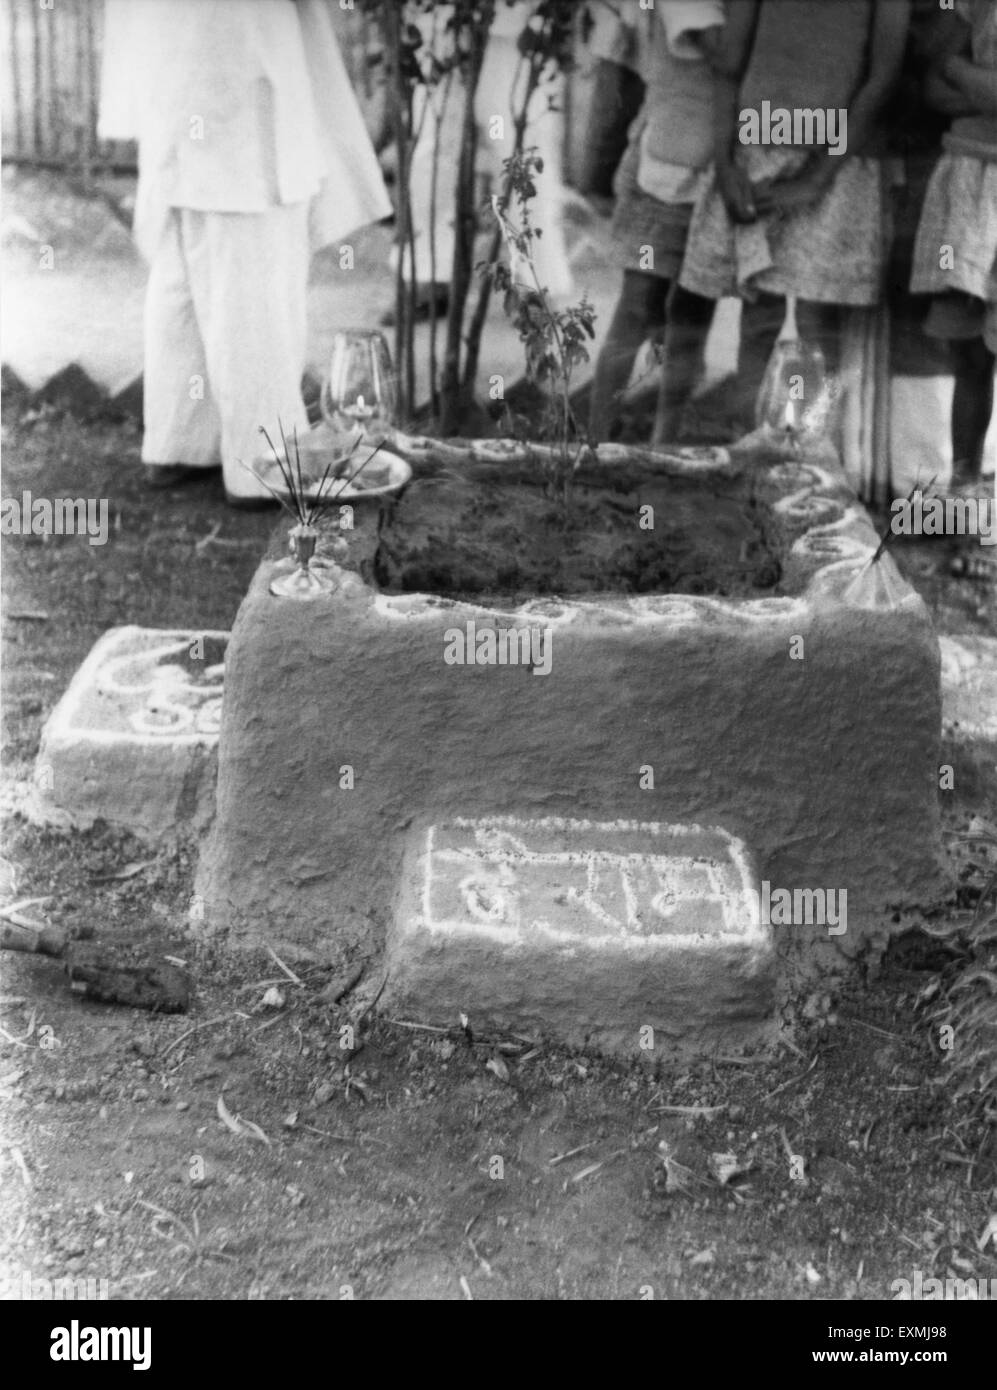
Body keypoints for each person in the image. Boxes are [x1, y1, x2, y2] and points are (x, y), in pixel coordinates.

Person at [99, 0, 392, 504]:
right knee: (253, 278)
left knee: (189, 275)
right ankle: (264, 463)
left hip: (185, 72)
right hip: (236, 75)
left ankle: (180, 443)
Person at [678, 0, 910, 432]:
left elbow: (882, 77)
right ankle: (750, 453)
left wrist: (818, 178)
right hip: (759, 151)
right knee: (758, 313)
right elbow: (730, 63)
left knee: (818, 323)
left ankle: (809, 458)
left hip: (838, 162)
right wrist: (726, 164)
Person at [587, 1, 725, 446]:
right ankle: (596, 444)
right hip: (666, 172)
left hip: (714, 176)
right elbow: (730, 53)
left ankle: (665, 444)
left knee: (691, 317)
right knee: (636, 307)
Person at [387, 0, 572, 321]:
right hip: (439, 25)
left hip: (512, 29)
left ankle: (539, 282)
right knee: (432, 155)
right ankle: (429, 275)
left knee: (521, 154)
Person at [909, 0, 997, 486]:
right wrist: (979, 87)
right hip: (967, 181)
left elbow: (945, 69)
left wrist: (957, 67)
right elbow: (931, 88)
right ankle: (965, 488)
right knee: (969, 350)